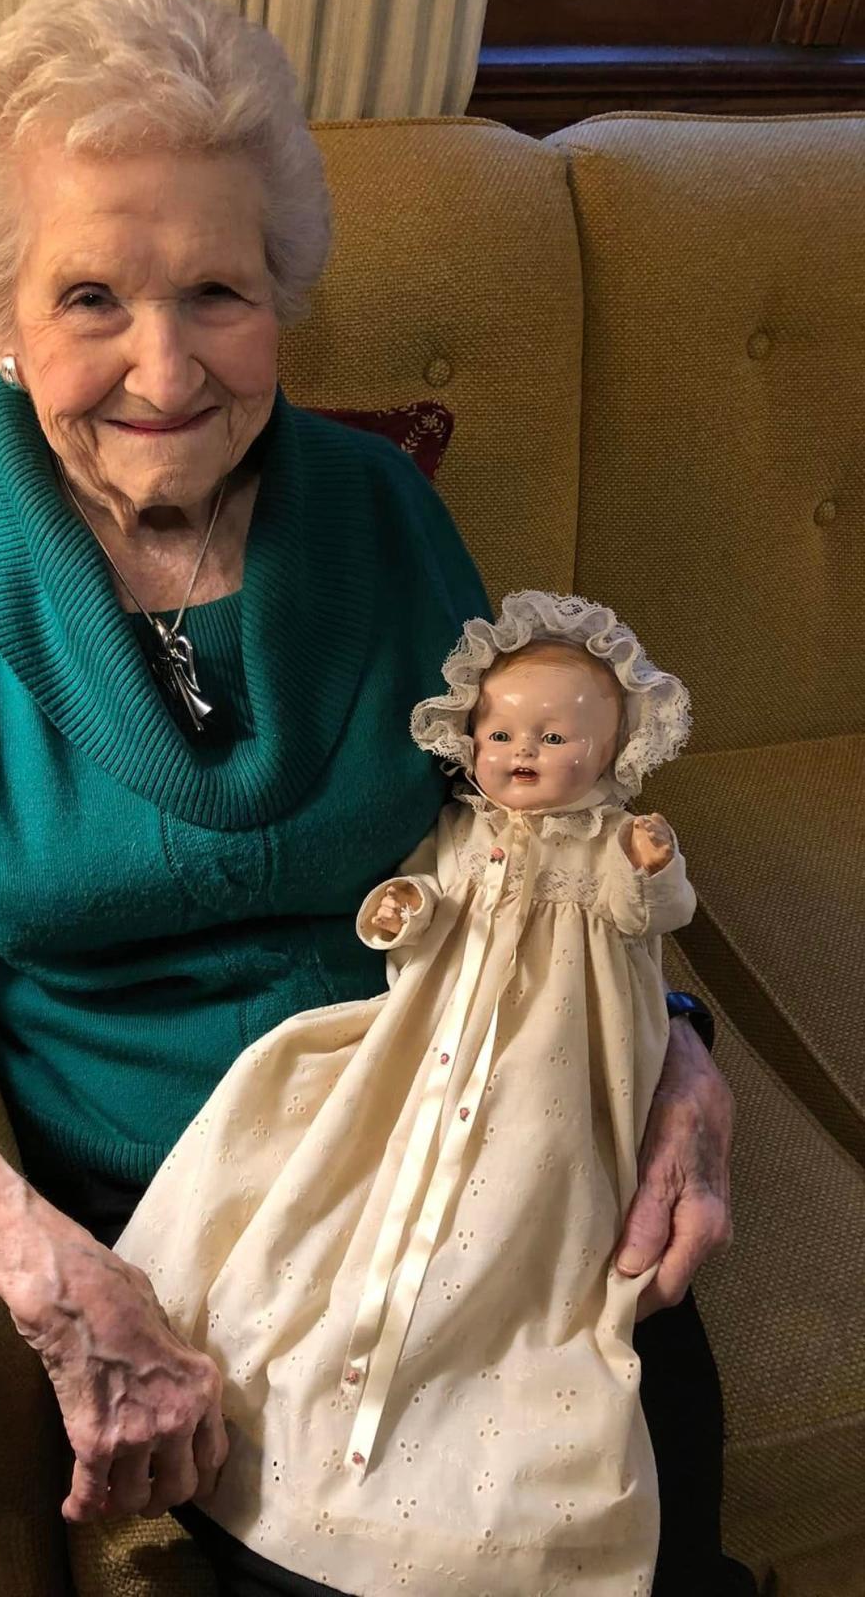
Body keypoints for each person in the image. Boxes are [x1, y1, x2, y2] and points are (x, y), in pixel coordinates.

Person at [0, 0, 742, 1597]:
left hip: (485, 1122)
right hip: (199, 1217)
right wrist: (65, 1287)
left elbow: (529, 813)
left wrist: (671, 1048)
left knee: (641, 1506)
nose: (166, 368)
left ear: (282, 291)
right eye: (91, 299)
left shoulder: (373, 509)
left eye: (216, 292)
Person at [116, 592, 698, 1596]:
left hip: (556, 1061)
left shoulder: (607, 838)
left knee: (536, 1194)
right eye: (502, 733)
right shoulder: (467, 829)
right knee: (317, 1108)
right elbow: (421, 908)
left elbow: (650, 913)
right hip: (435, 1043)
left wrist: (649, 866)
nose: (521, 753)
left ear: (612, 753)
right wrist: (404, 909)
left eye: (554, 737)